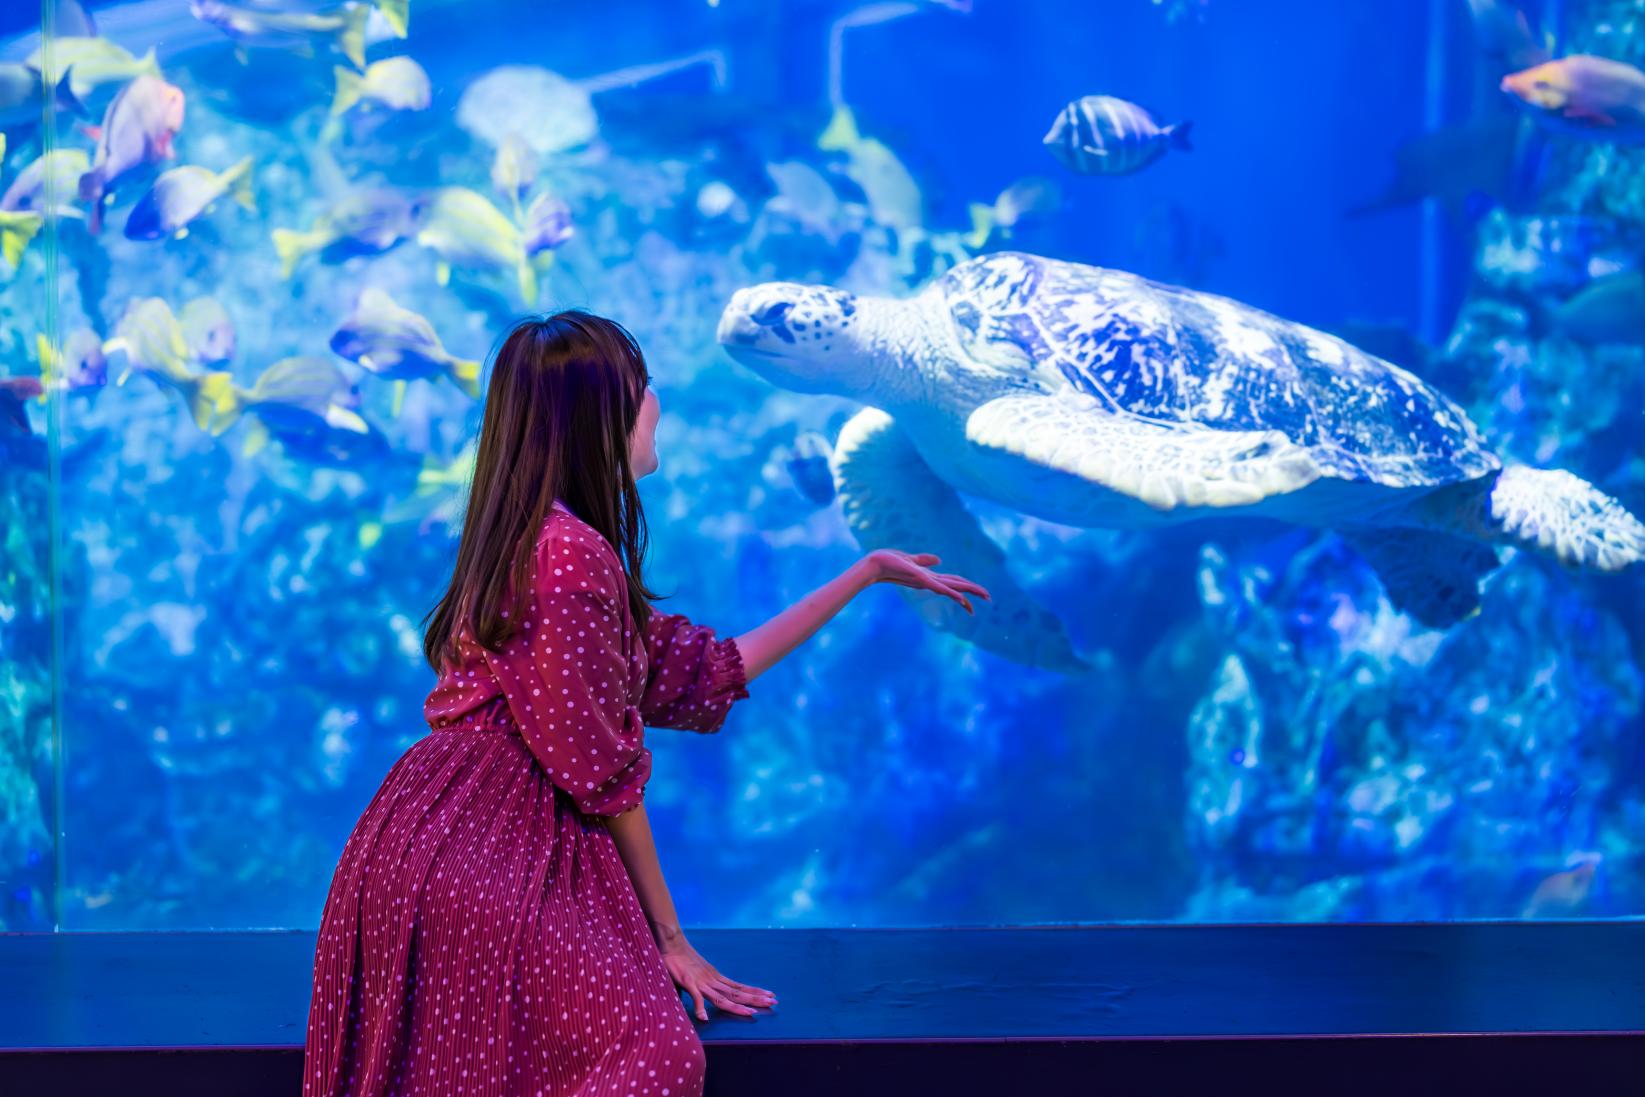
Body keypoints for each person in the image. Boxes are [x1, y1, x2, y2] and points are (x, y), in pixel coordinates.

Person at [302, 309, 990, 1096]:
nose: (656, 401)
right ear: (597, 420)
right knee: (654, 1057)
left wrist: (863, 572)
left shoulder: (547, 542)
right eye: (639, 387)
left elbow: (706, 667)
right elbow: (602, 774)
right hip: (483, 846)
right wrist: (670, 937)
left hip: (447, 832)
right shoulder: (566, 559)